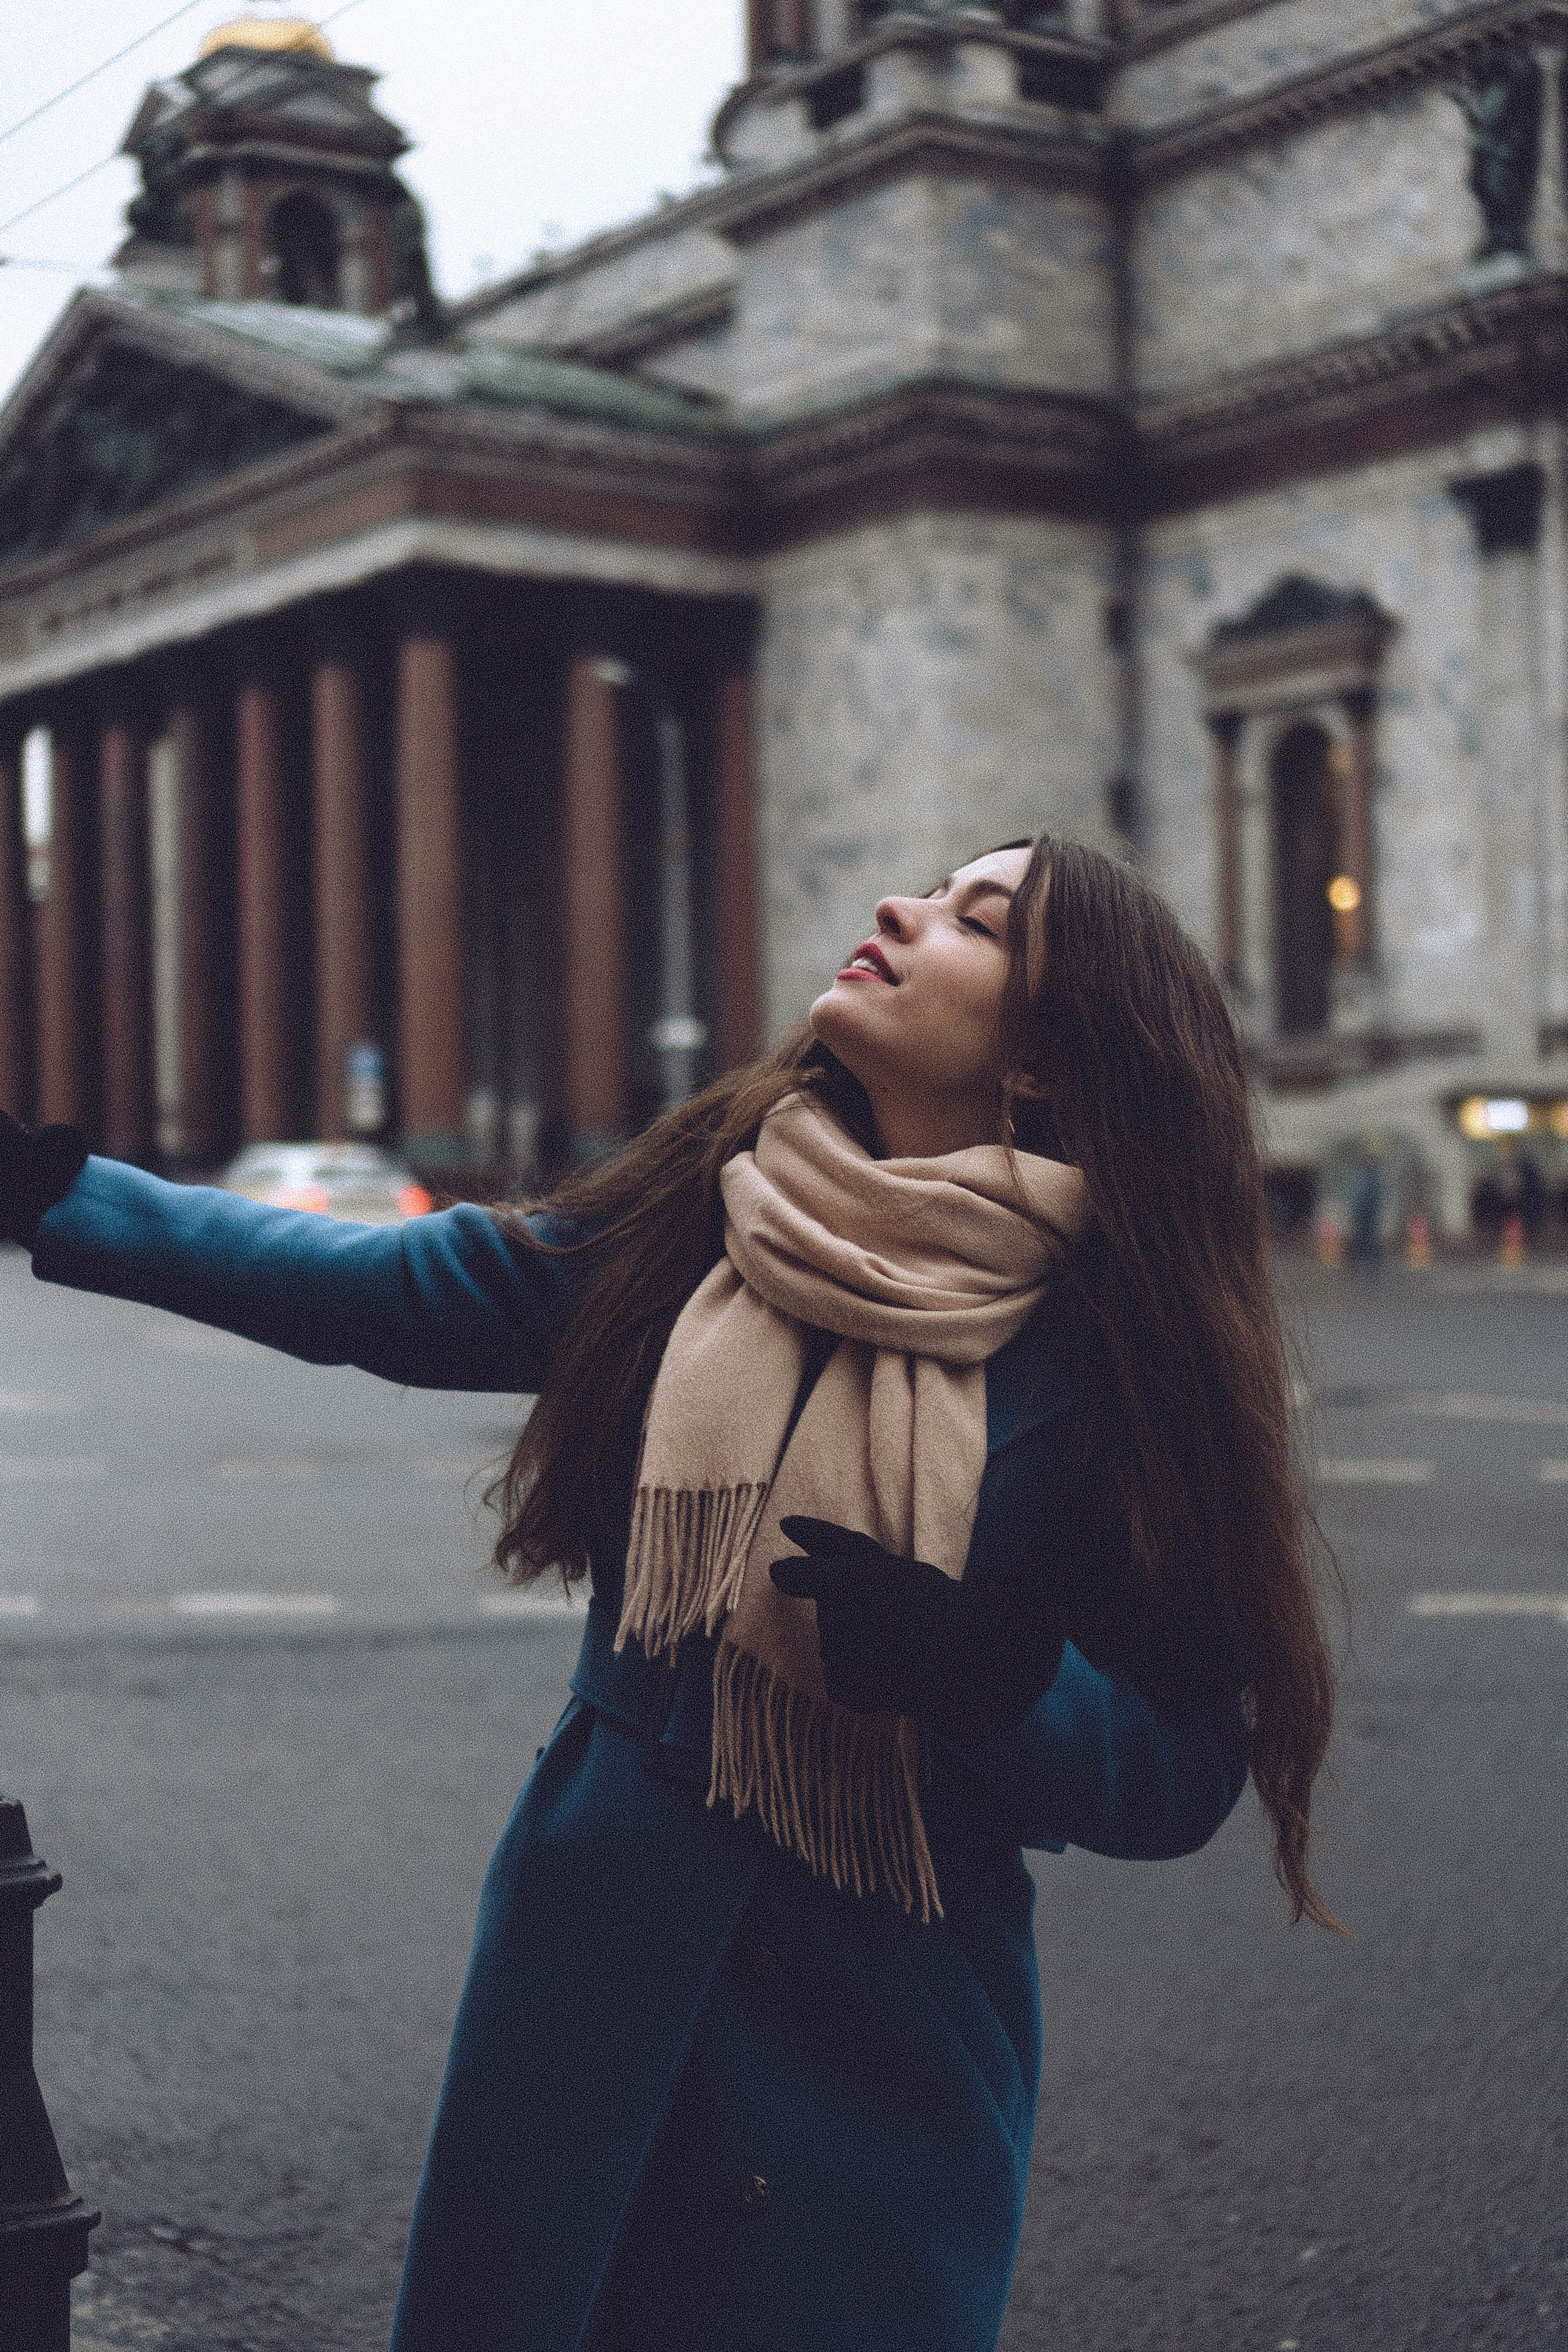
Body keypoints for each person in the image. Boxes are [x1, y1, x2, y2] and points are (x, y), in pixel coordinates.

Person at [0, 834, 1338, 2352]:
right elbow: (397, 1290)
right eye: (924, 885)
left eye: (977, 919)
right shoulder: (705, 1218)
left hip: (882, 2015)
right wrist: (53, 1192)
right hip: (588, 1964)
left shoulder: (1118, 1358)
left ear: (1046, 1052)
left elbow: (1178, 1773)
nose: (899, 909)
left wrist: (1000, 1680)